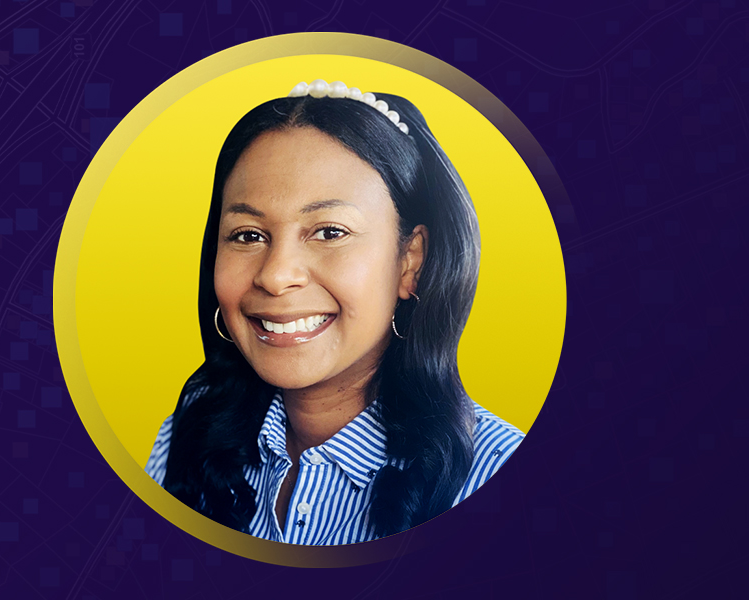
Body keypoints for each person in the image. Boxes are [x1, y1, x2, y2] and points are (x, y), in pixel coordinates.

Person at [144, 79, 523, 545]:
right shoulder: (186, 440)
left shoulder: (501, 478)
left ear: (411, 261)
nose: (275, 275)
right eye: (247, 235)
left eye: (329, 232)